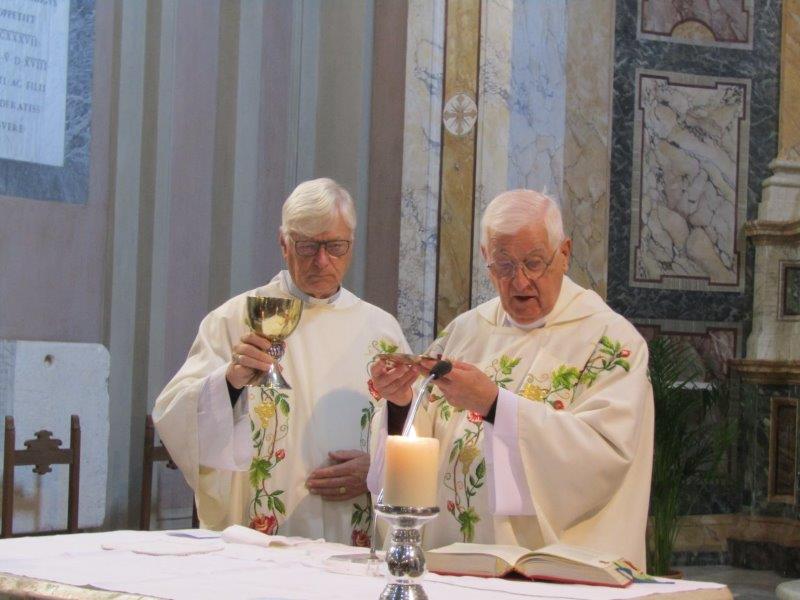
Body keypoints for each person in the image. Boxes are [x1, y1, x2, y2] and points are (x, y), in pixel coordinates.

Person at [368, 189, 654, 567]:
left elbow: (603, 455)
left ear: (564, 253)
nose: (520, 283)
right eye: (503, 266)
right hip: (452, 564)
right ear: (485, 258)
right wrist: (402, 401)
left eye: (534, 263)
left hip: (549, 572)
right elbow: (419, 439)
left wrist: (493, 405)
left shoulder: (610, 342)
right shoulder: (464, 332)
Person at [154, 177, 410, 546]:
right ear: (283, 244)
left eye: (335, 246)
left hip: (351, 528)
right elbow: (174, 415)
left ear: (351, 244)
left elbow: (416, 424)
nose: (322, 260)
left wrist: (378, 469)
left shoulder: (381, 330)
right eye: (307, 246)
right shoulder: (235, 319)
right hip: (261, 538)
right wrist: (229, 382)